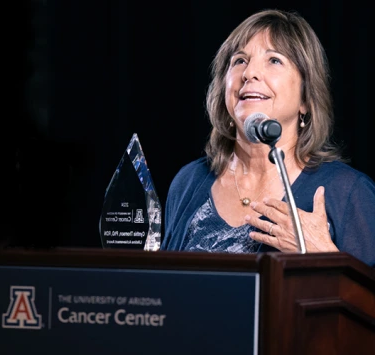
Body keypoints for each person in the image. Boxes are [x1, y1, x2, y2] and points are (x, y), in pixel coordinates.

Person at [161, 9, 375, 267]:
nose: (249, 72)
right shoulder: (189, 182)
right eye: (239, 60)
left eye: (274, 60)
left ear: (306, 100)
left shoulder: (349, 192)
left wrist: (325, 257)